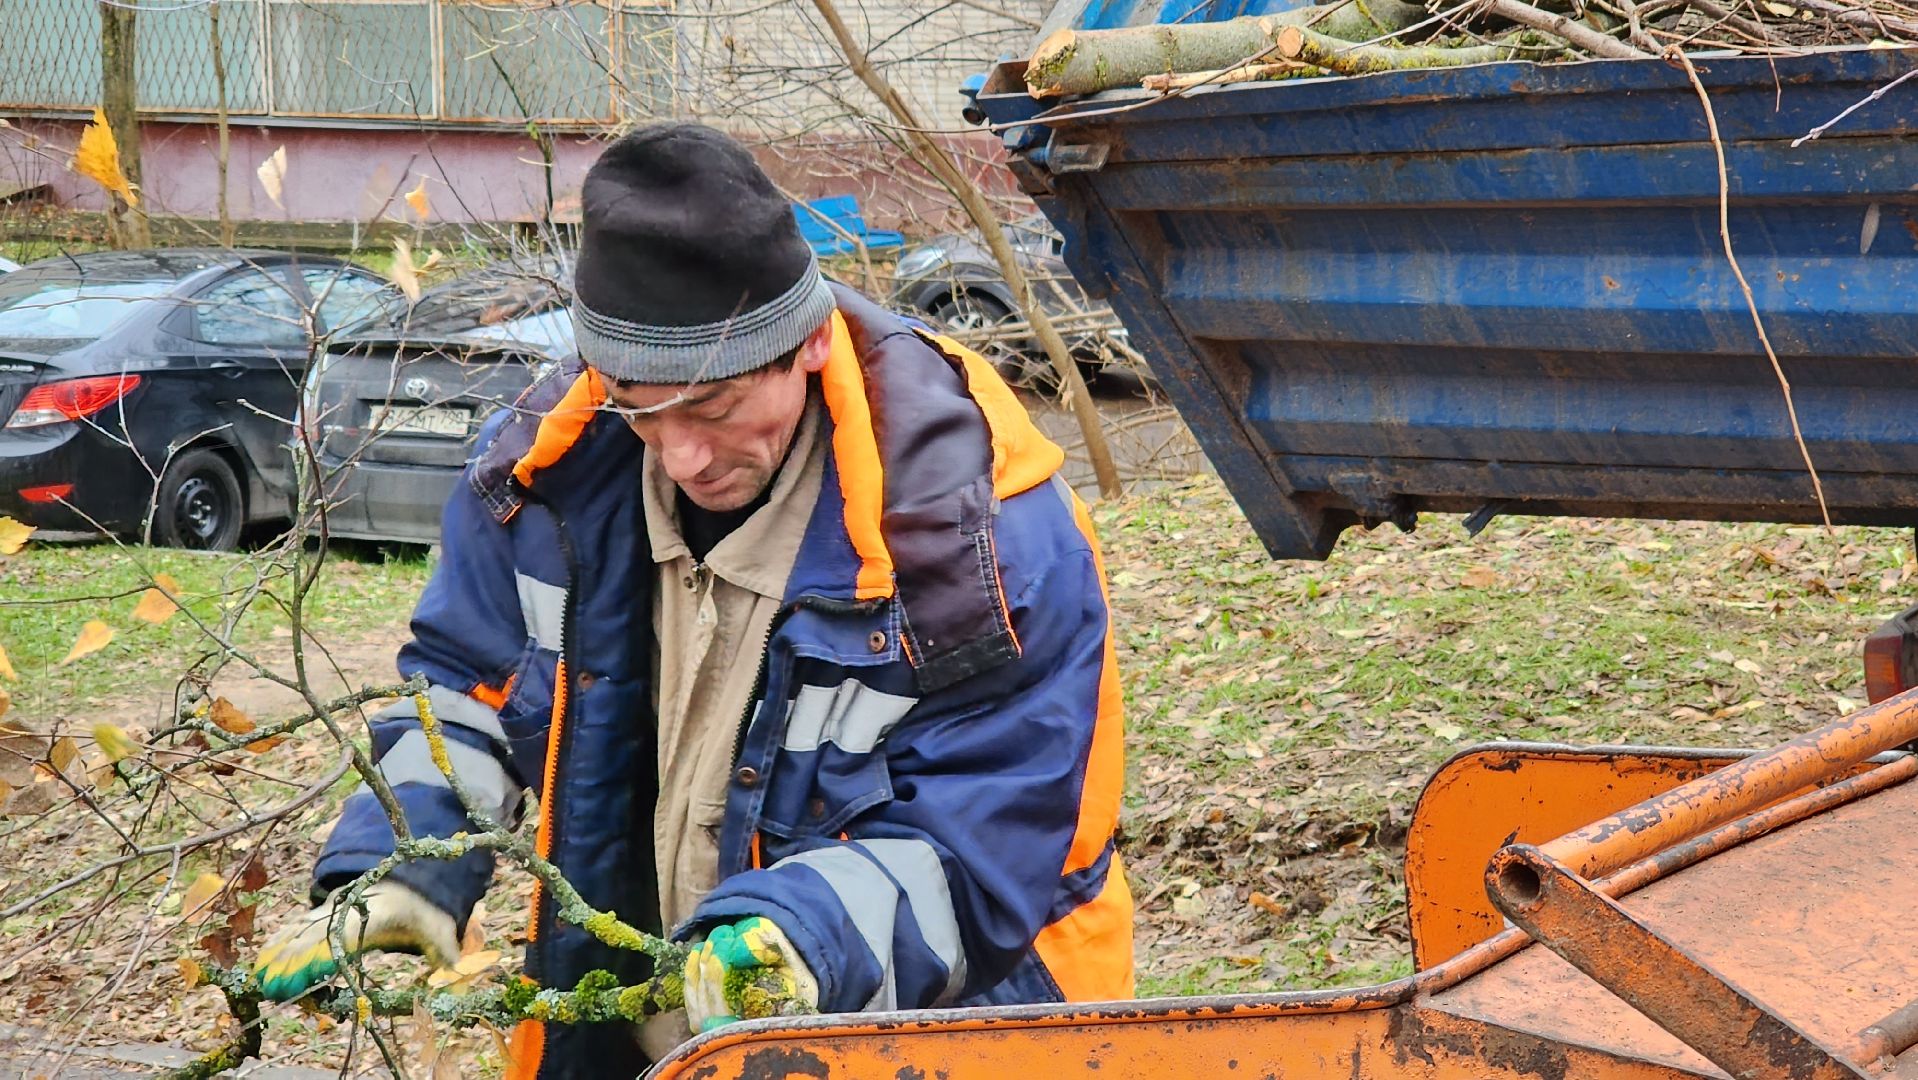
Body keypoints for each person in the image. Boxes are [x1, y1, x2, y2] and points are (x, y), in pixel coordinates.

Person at [251, 122, 1132, 1079]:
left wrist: (803, 936)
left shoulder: (979, 533)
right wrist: (410, 860)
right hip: (657, 1039)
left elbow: (988, 825)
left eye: (713, 409)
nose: (681, 457)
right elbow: (470, 691)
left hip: (952, 1034)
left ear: (804, 344)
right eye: (638, 407)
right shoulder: (544, 478)